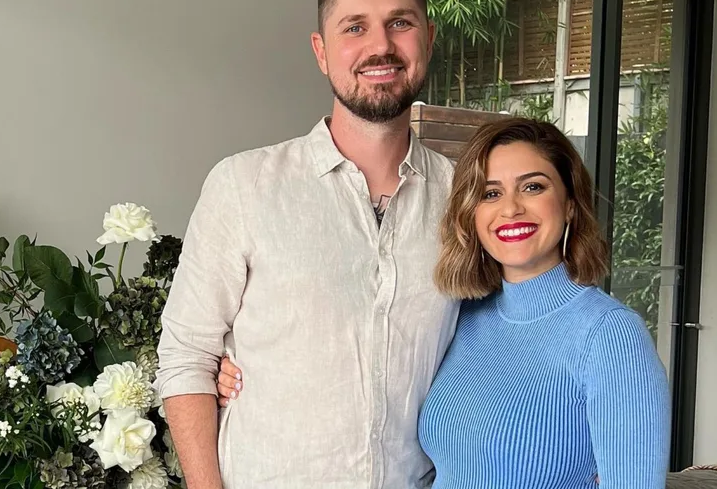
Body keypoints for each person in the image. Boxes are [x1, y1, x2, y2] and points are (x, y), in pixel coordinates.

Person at [153, 0, 460, 488]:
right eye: (354, 27)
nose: (380, 46)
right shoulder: (243, 186)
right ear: (321, 51)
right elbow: (186, 355)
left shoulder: (462, 198)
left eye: (400, 23)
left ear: (428, 39)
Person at [218, 117, 672, 488]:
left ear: (570, 204)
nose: (510, 208)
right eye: (490, 193)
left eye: (533, 187)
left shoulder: (609, 334)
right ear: (472, 214)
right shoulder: (464, 316)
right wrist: (247, 365)